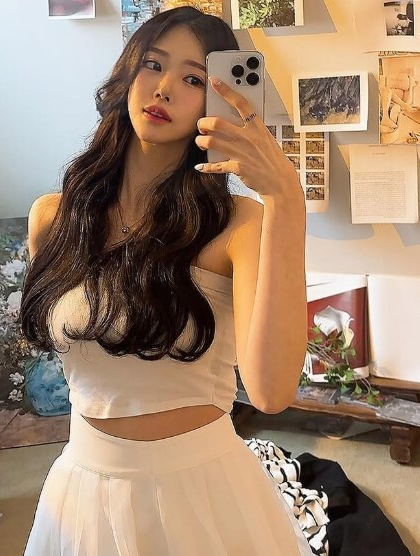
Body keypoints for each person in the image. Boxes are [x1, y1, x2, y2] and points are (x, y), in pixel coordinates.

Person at [20, 6, 310, 555]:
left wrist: (286, 199)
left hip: (201, 495)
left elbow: (271, 392)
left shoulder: (239, 225)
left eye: (194, 79)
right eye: (153, 64)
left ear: (217, 101)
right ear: (128, 72)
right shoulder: (52, 219)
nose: (165, 88)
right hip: (83, 496)